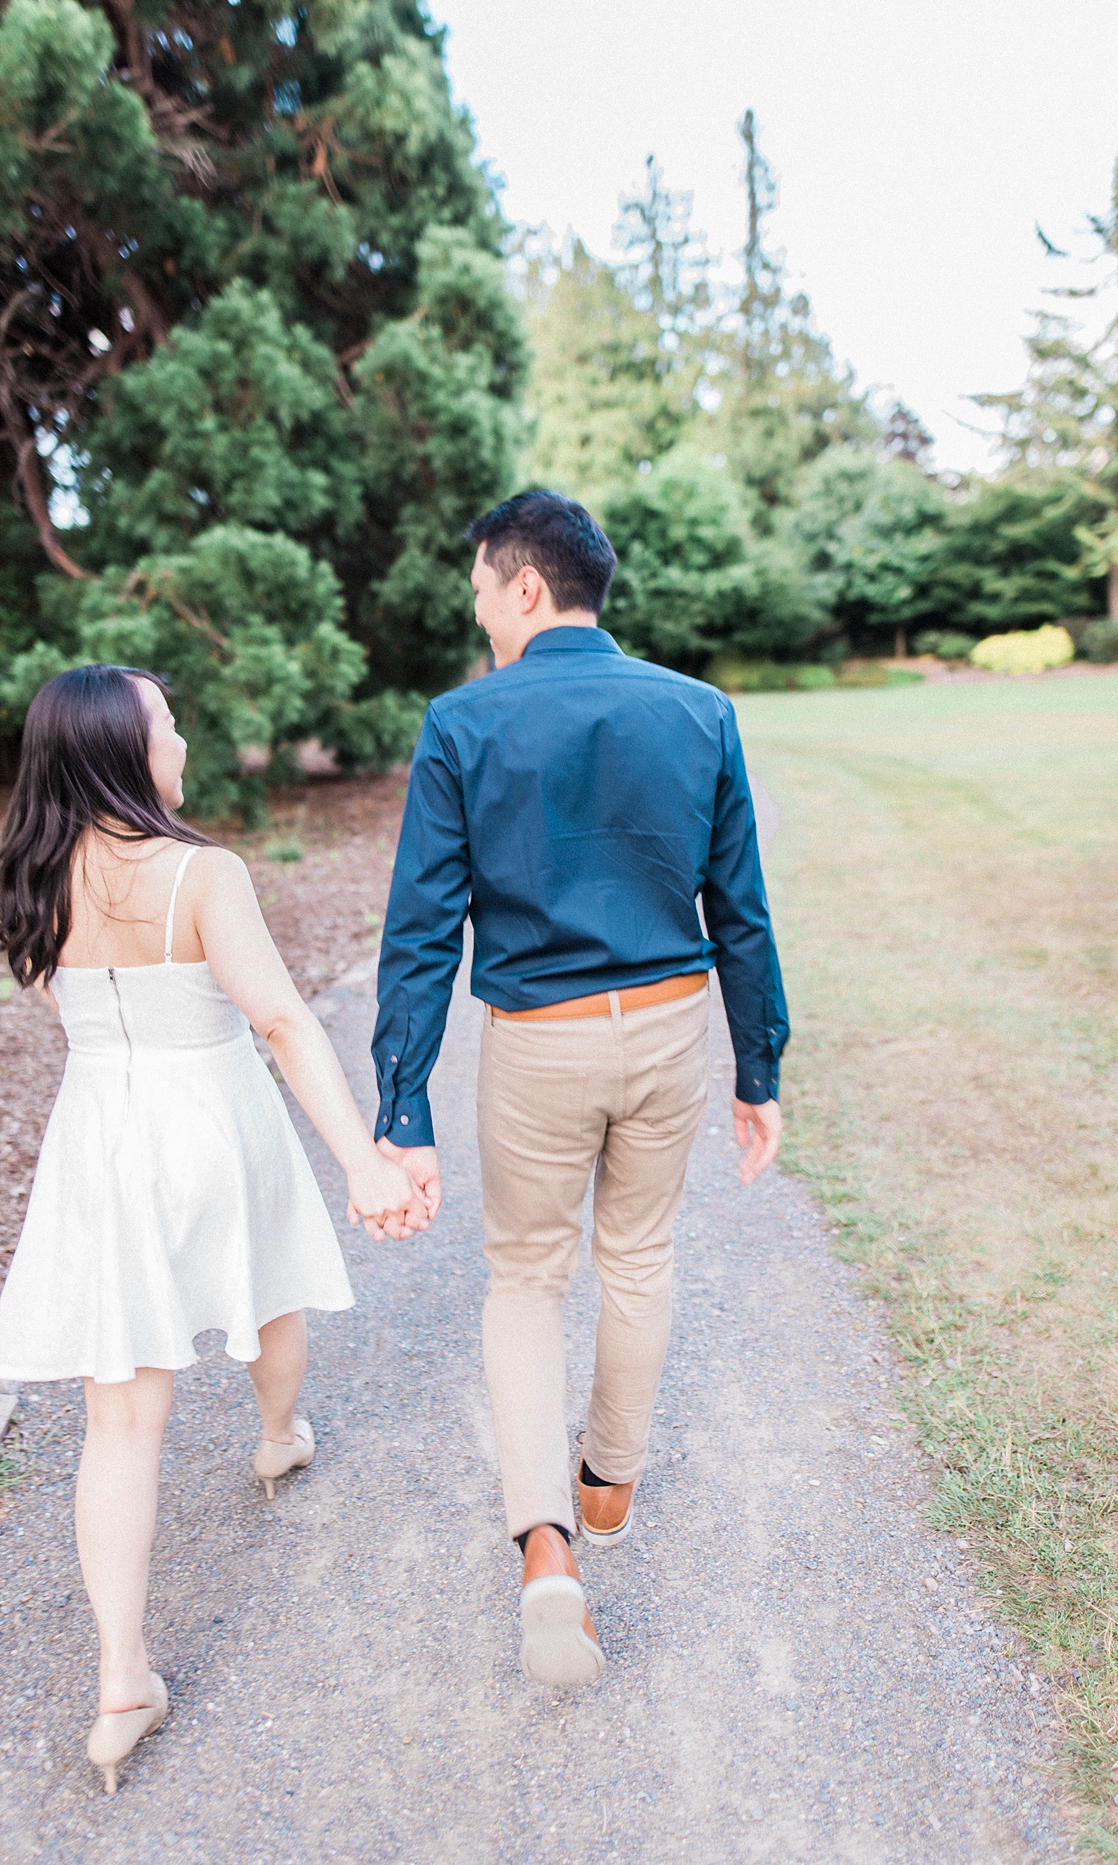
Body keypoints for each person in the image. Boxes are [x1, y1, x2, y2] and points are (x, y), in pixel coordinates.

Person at [0, 665, 428, 1794]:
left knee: (118, 1416)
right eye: (168, 726)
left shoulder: (26, 878)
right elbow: (276, 1016)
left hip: (99, 1131)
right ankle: (278, 1433)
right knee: (266, 1282)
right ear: (128, 753)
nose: (182, 740)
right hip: (212, 1111)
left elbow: (66, 1009)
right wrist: (361, 1159)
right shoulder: (201, 872)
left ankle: (121, 1673)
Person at [371, 489, 788, 1689]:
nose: (483, 622)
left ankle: (545, 1551)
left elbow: (419, 931)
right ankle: (607, 1481)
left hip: (538, 1040)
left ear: (527, 588)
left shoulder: (461, 722)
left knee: (524, 1278)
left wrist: (405, 1102)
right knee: (640, 1258)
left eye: (484, 598)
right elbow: (740, 908)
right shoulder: (700, 711)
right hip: (668, 1027)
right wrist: (755, 1067)